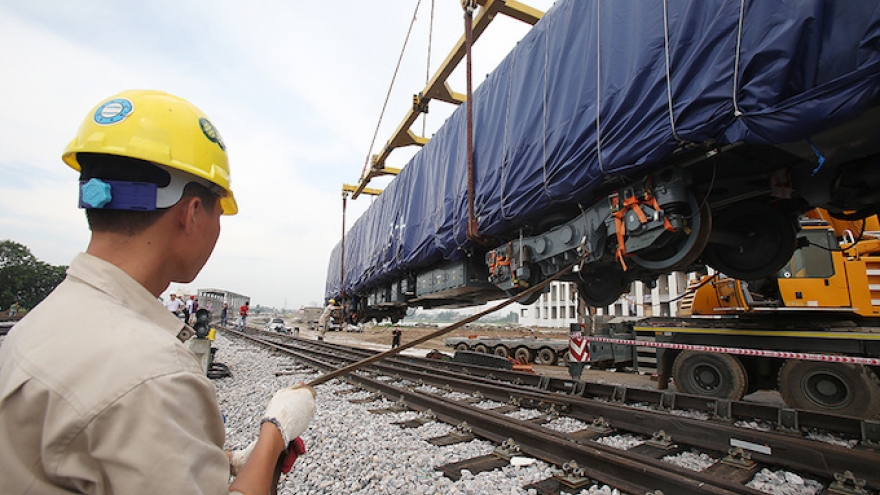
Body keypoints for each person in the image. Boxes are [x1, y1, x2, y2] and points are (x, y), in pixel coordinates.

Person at [0, 90, 316, 495]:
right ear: (192, 213)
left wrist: (229, 461)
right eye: (220, 211)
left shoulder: (37, 325)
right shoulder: (152, 374)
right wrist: (275, 433)